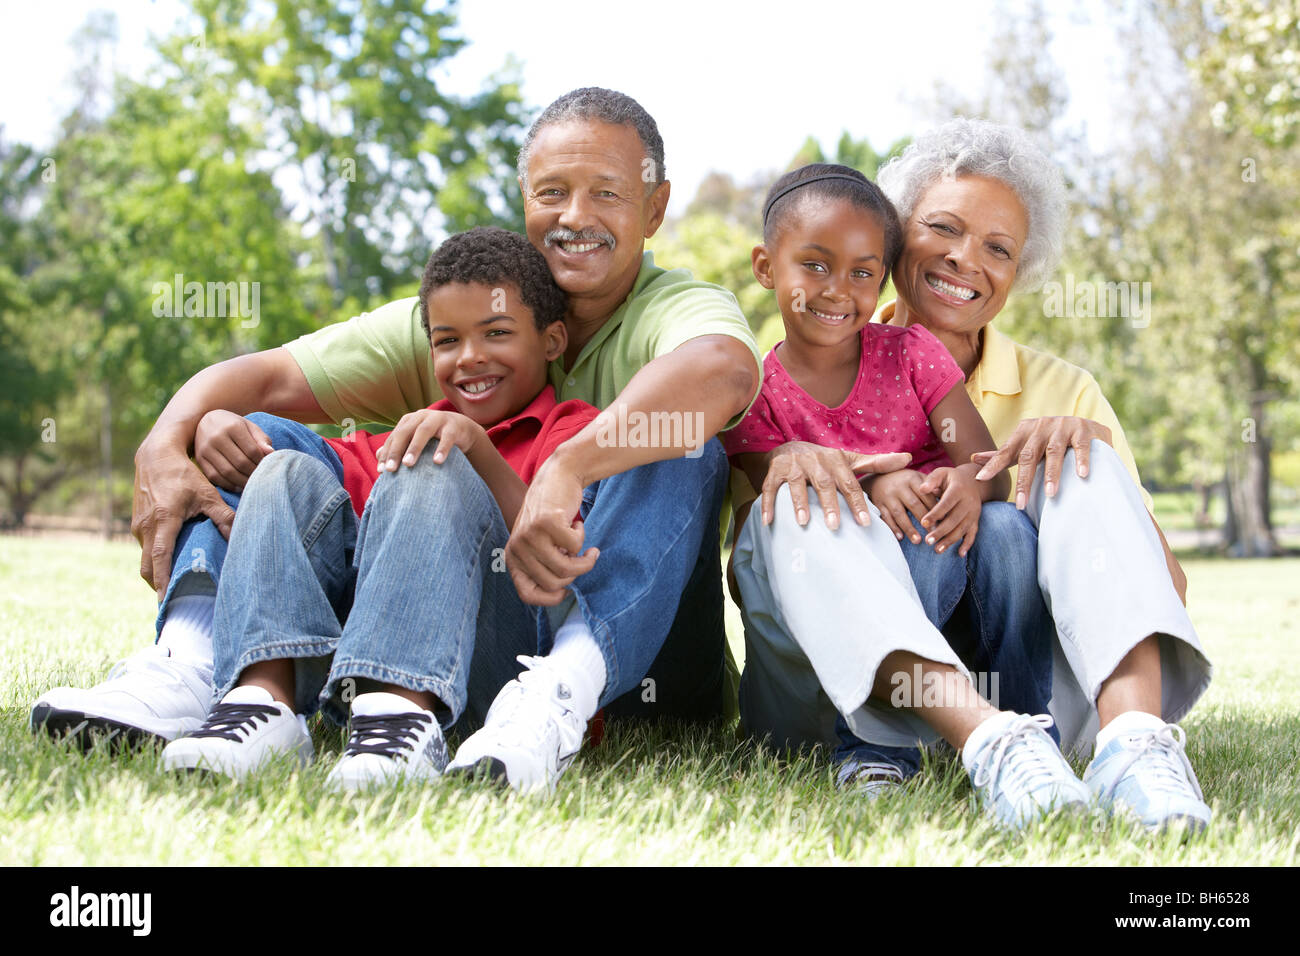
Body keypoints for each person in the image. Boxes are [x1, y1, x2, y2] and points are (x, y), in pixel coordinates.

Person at [32, 88, 769, 794]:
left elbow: (725, 371)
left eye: (606, 191)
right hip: (474, 626)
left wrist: (568, 467)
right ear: (524, 202)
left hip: (628, 656)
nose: (575, 215)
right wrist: (167, 439)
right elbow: (257, 380)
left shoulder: (677, 306)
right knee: (250, 437)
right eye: (551, 192)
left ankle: (556, 695)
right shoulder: (468, 310)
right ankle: (200, 662)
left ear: (655, 206)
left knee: (679, 441)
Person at [738, 119, 1211, 831]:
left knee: (1072, 458)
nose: (966, 260)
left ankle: (1133, 747)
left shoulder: (1061, 386)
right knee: (803, 489)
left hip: (1025, 686)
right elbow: (757, 554)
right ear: (895, 235)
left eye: (998, 248)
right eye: (944, 228)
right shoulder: (764, 380)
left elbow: (1161, 587)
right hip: (838, 683)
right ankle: (906, 742)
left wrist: (1013, 478)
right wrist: (833, 477)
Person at [157, 227, 602, 787]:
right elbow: (305, 479)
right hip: (351, 667)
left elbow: (566, 573)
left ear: (553, 341)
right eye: (447, 341)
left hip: (498, 669)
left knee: (431, 461)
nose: (470, 358)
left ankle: (402, 714)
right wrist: (218, 422)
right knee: (281, 467)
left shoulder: (575, 436)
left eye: (497, 333)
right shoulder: (404, 437)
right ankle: (264, 701)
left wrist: (477, 449)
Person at [727, 164, 1087, 828]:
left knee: (1006, 527)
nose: (839, 291)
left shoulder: (912, 354)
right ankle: (879, 750)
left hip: (954, 575)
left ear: (884, 278)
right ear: (765, 266)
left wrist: (965, 482)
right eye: (815, 265)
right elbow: (775, 511)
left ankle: (1029, 732)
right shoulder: (753, 392)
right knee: (908, 532)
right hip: (859, 606)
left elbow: (987, 467)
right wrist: (875, 482)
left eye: (864, 273)